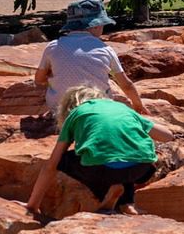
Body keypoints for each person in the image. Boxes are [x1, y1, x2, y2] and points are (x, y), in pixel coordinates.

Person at [26, 83, 158, 218]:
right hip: (142, 168)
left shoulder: (76, 113)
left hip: (102, 170)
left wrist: (32, 206)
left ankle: (107, 193)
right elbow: (167, 136)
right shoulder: (122, 108)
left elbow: (51, 165)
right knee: (124, 154)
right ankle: (127, 203)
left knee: (66, 160)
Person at [34, 0, 148, 127]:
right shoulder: (105, 49)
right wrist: (137, 105)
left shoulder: (53, 46)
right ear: (96, 25)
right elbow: (126, 84)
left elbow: (38, 79)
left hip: (61, 111)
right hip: (97, 111)